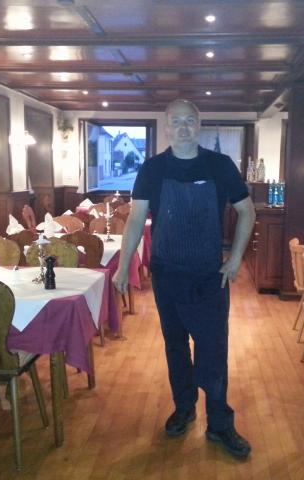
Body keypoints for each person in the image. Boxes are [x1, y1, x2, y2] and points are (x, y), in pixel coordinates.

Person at [113, 99, 256, 459]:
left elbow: (247, 211)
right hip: (167, 274)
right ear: (166, 127)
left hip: (210, 277)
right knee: (175, 346)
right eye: (176, 121)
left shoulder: (219, 165)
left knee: (213, 350)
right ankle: (184, 407)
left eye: (189, 121)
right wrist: (122, 265)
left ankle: (219, 423)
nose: (183, 127)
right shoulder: (153, 168)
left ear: (199, 124)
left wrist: (235, 258)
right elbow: (136, 219)